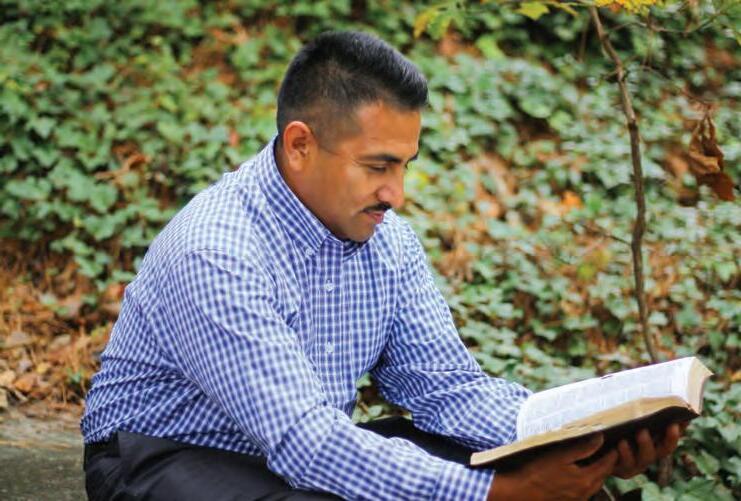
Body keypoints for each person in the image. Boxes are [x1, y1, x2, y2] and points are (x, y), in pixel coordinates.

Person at [81, 31, 683, 500]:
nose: (396, 194)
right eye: (378, 166)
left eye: (404, 165)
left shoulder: (387, 241)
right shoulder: (217, 252)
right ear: (300, 145)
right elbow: (306, 442)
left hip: (294, 460)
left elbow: (446, 389)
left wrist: (576, 434)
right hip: (161, 459)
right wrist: (494, 494)